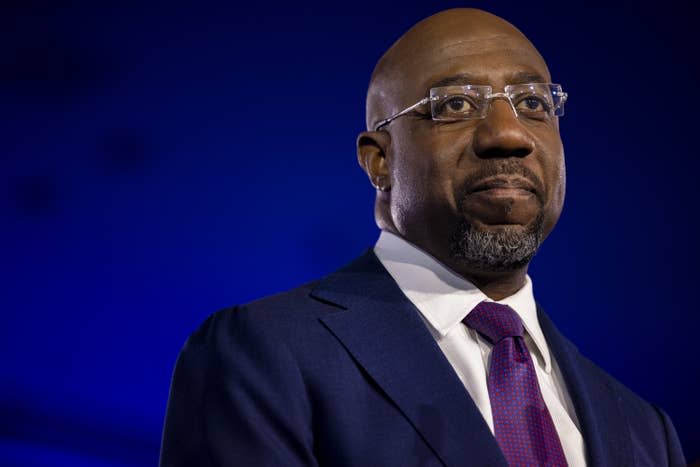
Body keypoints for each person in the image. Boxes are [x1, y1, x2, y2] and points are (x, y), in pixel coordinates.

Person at [160, 8, 686, 466]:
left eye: (533, 105)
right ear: (379, 159)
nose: (510, 134)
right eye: (456, 104)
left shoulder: (645, 430)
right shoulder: (266, 353)